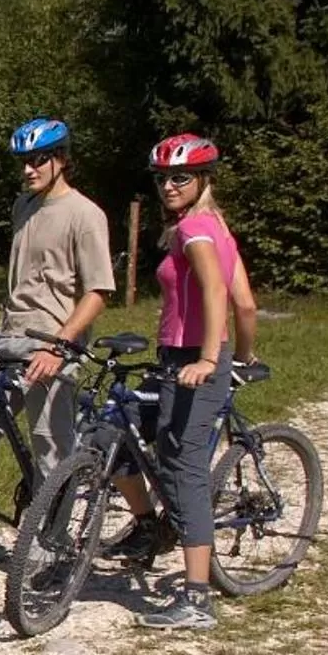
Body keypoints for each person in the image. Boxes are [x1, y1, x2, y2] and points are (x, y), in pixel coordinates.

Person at [113, 134, 258, 630]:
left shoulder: (197, 227)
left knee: (185, 467)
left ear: (203, 181)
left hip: (193, 360)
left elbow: (218, 291)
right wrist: (243, 355)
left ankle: (197, 599)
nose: (169, 186)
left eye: (180, 177)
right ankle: (150, 528)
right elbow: (247, 304)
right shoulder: (214, 226)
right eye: (162, 178)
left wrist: (212, 359)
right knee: (121, 427)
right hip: (176, 358)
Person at [0, 119, 114, 478]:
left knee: (49, 445)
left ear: (62, 159)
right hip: (8, 334)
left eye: (37, 160)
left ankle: (52, 532)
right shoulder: (24, 205)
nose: (27, 169)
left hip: (52, 343)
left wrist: (57, 348)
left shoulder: (85, 214)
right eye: (23, 160)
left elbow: (98, 293)